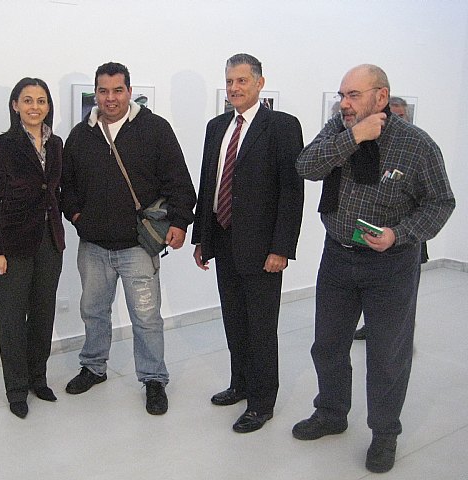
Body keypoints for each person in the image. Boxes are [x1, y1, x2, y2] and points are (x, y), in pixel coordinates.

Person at [293, 64, 455, 473]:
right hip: (338, 257)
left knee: (387, 355)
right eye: (342, 95)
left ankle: (384, 434)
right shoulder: (338, 130)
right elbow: (307, 167)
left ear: (380, 97)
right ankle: (331, 413)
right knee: (327, 344)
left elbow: (440, 202)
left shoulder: (417, 146)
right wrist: (353, 138)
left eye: (354, 95)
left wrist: (399, 234)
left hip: (391, 264)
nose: (344, 103)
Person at [61, 62, 196, 415]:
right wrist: (78, 218)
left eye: (117, 90)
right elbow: (67, 187)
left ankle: (153, 379)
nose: (110, 98)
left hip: (138, 246)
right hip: (93, 247)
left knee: (147, 318)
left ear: (129, 91)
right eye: (103, 91)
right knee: (93, 311)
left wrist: (180, 223)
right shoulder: (81, 134)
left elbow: (180, 183)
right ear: (95, 93)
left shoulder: (155, 129)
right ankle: (93, 367)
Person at [192, 53, 304, 433]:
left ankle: (261, 401)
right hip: (223, 241)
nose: (234, 88)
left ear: (259, 82)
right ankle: (239, 384)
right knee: (234, 321)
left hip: (262, 249)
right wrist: (201, 239)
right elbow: (210, 184)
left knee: (260, 327)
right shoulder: (216, 126)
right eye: (229, 82)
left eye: (242, 81)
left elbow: (292, 192)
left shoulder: (282, 126)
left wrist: (281, 248)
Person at [0, 77, 65, 419]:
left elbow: (56, 190)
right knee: (13, 319)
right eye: (27, 100)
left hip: (50, 242)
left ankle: (38, 378)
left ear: (48, 106)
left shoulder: (56, 143)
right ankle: (16, 389)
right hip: (12, 245)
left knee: (43, 315)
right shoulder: (1, 145)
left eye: (41, 100)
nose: (35, 107)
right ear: (15, 105)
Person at [354, 95, 428, 341]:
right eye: (390, 115)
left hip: (405, 239)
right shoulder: (371, 144)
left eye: (400, 116)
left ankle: (401, 332)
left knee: (403, 299)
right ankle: (370, 325)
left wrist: (401, 233)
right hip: (370, 240)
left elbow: (435, 200)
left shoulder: (417, 146)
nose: (394, 120)